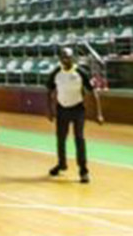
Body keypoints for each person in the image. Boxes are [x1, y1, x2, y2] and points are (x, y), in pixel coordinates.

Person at [45, 48, 103, 184]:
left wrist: (98, 113)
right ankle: (61, 164)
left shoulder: (81, 73)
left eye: (68, 58)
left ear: (73, 58)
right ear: (60, 59)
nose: (66, 60)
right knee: (60, 138)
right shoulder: (56, 73)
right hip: (61, 109)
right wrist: (49, 110)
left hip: (78, 110)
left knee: (79, 138)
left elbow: (93, 92)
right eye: (63, 58)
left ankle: (83, 170)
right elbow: (49, 91)